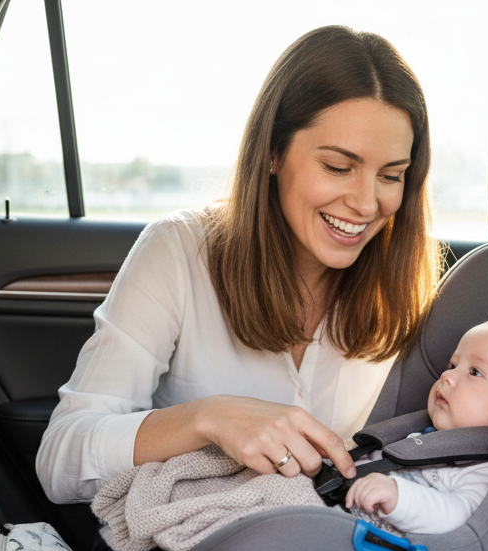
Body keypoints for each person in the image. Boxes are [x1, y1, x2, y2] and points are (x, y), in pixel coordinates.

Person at [36, 26, 441, 514]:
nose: (364, 202)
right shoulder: (179, 252)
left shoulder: (409, 290)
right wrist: (209, 419)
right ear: (273, 153)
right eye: (337, 167)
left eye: (390, 176)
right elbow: (60, 460)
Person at [344, 314, 488, 535]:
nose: (447, 375)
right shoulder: (423, 434)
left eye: (475, 372)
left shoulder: (485, 469)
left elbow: (460, 517)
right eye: (453, 364)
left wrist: (399, 497)